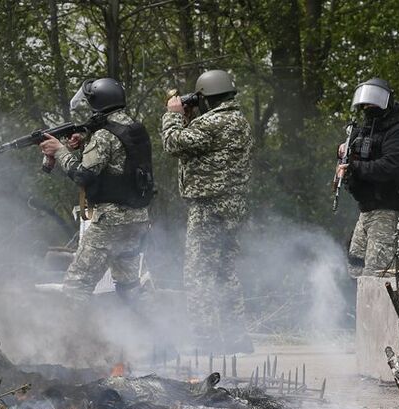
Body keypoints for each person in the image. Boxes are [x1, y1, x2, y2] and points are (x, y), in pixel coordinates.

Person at [161, 70, 254, 353]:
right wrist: (190, 117)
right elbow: (201, 146)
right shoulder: (239, 121)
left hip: (208, 207)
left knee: (199, 274)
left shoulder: (212, 123)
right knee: (225, 273)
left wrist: (173, 114)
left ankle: (206, 341)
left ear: (206, 96)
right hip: (232, 206)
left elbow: (173, 143)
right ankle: (236, 338)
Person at [40, 77, 154, 302]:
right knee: (129, 286)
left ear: (98, 103)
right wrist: (84, 143)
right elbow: (118, 163)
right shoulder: (134, 128)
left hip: (110, 223)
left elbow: (83, 175)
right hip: (137, 218)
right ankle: (155, 334)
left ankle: (76, 337)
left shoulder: (103, 135)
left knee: (76, 285)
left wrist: (60, 151)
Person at [337, 78, 399, 278]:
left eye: (372, 103)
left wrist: (354, 167)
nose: (368, 107)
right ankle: (356, 309)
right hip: (367, 210)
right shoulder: (368, 129)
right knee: (355, 268)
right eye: (365, 104)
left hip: (390, 209)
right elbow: (355, 151)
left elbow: (389, 167)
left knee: (376, 274)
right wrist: (343, 151)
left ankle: (378, 310)